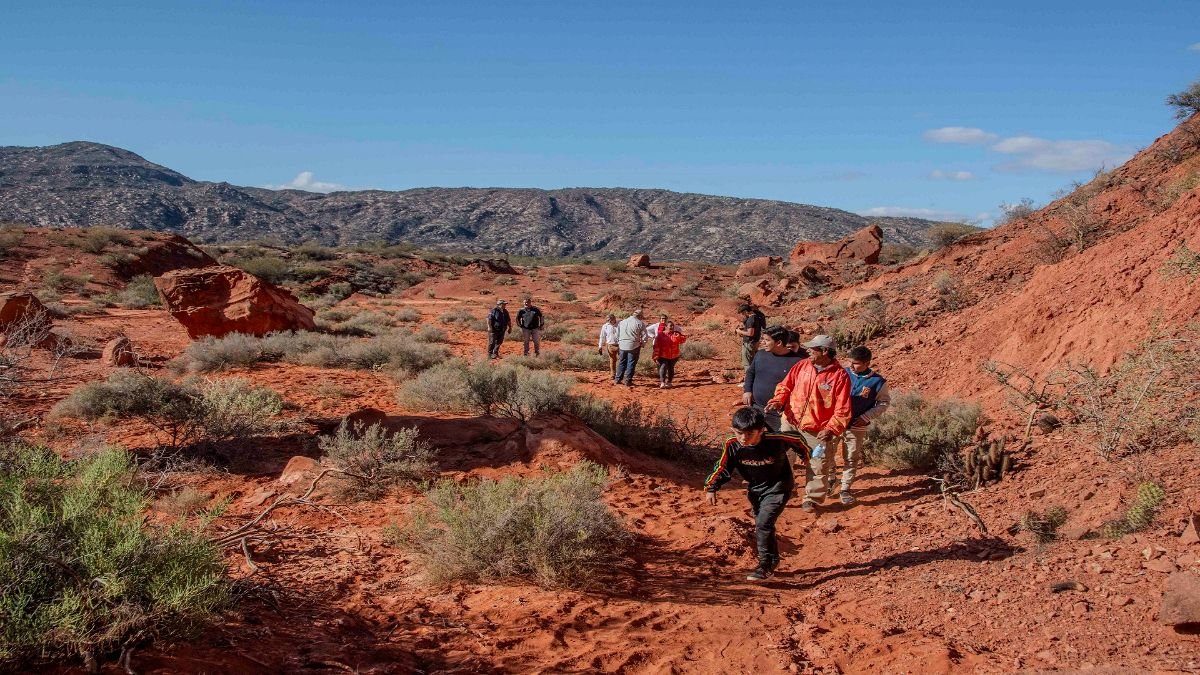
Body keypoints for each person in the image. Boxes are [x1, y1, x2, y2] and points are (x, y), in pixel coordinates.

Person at [703, 407, 810, 581]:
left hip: (779, 487)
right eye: (739, 433)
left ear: (761, 430)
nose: (743, 438)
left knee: (763, 524)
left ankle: (765, 565)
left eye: (749, 434)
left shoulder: (777, 439)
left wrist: (804, 454)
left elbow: (797, 439)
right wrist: (712, 487)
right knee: (763, 525)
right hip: (755, 489)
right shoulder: (732, 445)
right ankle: (773, 559)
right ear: (733, 430)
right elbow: (723, 467)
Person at [765, 335, 851, 513]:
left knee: (817, 463)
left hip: (817, 430)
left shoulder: (839, 376)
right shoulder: (802, 365)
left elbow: (843, 409)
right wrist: (778, 400)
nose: (809, 351)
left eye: (813, 348)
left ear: (825, 351)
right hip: (790, 421)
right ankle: (781, 492)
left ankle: (811, 499)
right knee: (781, 457)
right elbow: (785, 385)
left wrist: (831, 428)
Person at [829, 345, 891, 505]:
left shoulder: (877, 381)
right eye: (850, 362)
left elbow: (883, 403)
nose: (851, 366)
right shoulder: (843, 373)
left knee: (851, 457)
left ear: (866, 363)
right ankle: (830, 479)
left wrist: (866, 416)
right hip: (835, 422)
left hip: (857, 424)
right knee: (827, 452)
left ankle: (845, 489)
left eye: (855, 363)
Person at [743, 326, 807, 432]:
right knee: (755, 439)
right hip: (756, 408)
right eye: (763, 339)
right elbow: (751, 373)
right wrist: (747, 390)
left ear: (779, 343)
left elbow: (801, 390)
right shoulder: (760, 354)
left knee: (778, 443)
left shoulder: (798, 362)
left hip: (779, 414)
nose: (763, 342)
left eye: (767, 340)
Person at [614, 308, 648, 387]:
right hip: (633, 345)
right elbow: (645, 336)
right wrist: (642, 344)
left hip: (622, 345)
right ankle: (628, 381)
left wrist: (619, 342)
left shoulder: (622, 322)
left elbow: (616, 334)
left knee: (622, 362)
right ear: (639, 316)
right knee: (631, 363)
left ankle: (618, 379)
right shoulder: (640, 323)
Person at [652, 320, 687, 388]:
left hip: (673, 355)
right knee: (663, 366)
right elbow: (657, 345)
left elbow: (683, 340)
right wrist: (656, 355)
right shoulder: (661, 335)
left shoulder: (675, 334)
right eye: (670, 326)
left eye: (672, 326)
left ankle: (669, 382)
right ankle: (662, 382)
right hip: (663, 355)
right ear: (666, 326)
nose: (671, 327)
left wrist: (678, 336)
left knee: (671, 368)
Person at [734, 303, 767, 374]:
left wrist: (739, 331)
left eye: (742, 313)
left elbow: (750, 333)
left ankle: (748, 381)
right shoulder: (757, 317)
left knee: (747, 363)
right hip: (755, 342)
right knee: (752, 362)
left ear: (746, 312)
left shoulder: (751, 319)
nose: (742, 315)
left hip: (749, 343)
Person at [597, 313, 620, 378]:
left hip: (621, 344)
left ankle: (620, 374)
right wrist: (600, 346)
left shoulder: (620, 323)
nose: (609, 321)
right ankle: (613, 374)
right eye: (608, 320)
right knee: (612, 360)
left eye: (610, 319)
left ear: (614, 318)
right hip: (610, 345)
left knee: (622, 359)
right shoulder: (605, 326)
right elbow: (602, 336)